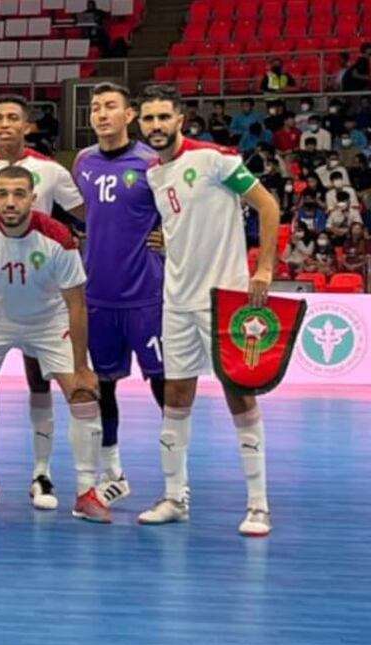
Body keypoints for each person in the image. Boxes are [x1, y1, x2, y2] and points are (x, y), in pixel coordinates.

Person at [136, 85, 281, 536]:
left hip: (226, 300)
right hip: (176, 303)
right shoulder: (154, 175)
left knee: (240, 397)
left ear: (180, 118)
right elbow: (182, 221)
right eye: (148, 119)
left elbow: (268, 205)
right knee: (175, 398)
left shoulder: (216, 160)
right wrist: (169, 240)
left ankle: (259, 506)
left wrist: (265, 268)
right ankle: (174, 497)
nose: (156, 126)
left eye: (163, 117)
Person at [0, 94, 87, 511]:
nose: (5, 124)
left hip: (42, 292)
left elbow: (87, 216)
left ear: (27, 126)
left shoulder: (51, 171)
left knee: (39, 382)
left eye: (13, 118)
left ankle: (41, 474)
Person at [71, 82, 167, 519]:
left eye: (111, 106)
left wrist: (173, 237)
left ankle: (174, 484)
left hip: (146, 295)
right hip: (97, 295)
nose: (102, 114)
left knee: (165, 387)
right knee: (101, 386)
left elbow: (184, 214)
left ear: (130, 115)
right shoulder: (83, 162)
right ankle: (112, 474)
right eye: (95, 108)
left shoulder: (153, 161)